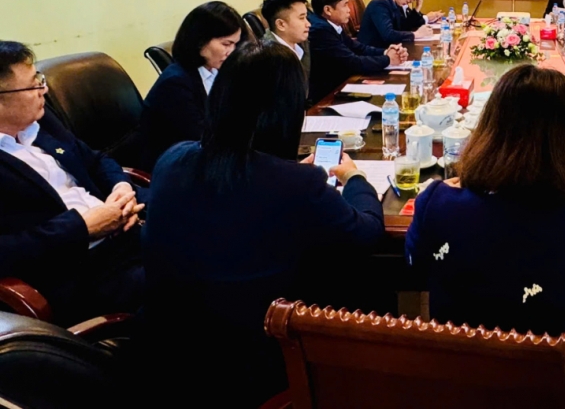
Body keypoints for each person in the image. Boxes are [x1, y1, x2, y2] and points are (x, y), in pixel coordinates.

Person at [143, 40, 385, 407]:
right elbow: (366, 233)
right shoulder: (296, 185)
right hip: (256, 358)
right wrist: (355, 179)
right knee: (359, 280)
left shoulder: (172, 159)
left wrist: (290, 176)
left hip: (170, 350)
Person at [406, 64, 565, 347]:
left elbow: (415, 270)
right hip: (555, 376)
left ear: (489, 132)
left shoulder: (438, 206)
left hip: (458, 371)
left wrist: (453, 193)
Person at [0, 42, 144, 325]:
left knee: (212, 237)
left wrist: (121, 188)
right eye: (33, 86)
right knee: (187, 282)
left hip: (125, 234)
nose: (44, 90)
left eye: (40, 79)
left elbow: (95, 160)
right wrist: (83, 228)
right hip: (78, 272)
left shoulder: (40, 121)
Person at [139, 2, 244, 171]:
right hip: (177, 169)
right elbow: (203, 138)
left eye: (235, 44)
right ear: (200, 41)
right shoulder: (175, 84)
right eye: (226, 44)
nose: (232, 51)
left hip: (209, 159)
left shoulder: (215, 71)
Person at [307, 0, 407, 103]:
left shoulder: (332, 24)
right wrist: (388, 59)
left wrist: (386, 52)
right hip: (327, 97)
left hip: (342, 86)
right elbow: (352, 62)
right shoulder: (320, 30)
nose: (349, 10)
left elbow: (358, 47)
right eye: (345, 5)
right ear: (328, 10)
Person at [358, 0, 434, 48]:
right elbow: (388, 35)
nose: (409, 0)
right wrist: (416, 34)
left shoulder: (393, 3)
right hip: (374, 52)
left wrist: (418, 6)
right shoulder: (380, 4)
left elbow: (405, 27)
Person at [261, 0, 312, 94]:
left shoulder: (302, 43)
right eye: (301, 18)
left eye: (306, 17)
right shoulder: (267, 57)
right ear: (281, 24)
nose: (308, 24)